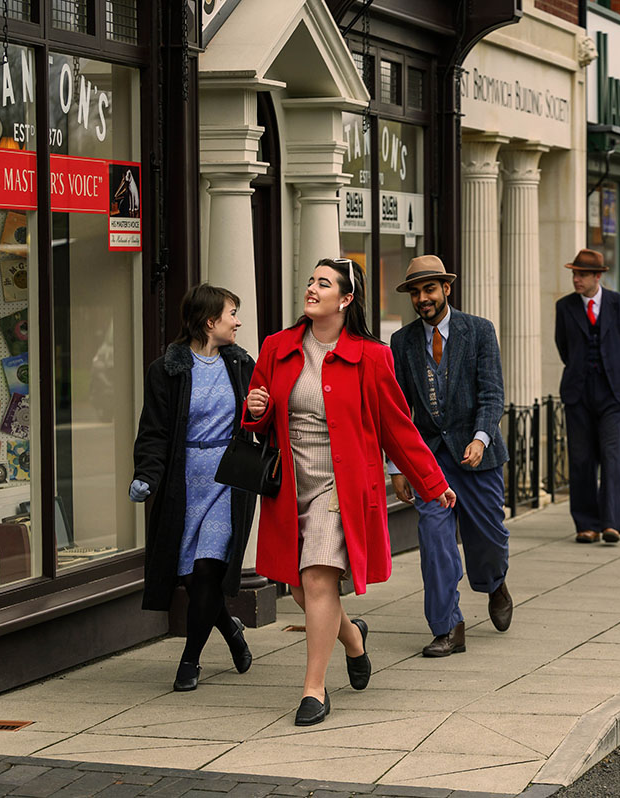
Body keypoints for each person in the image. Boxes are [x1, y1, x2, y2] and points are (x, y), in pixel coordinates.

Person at [243, 257, 456, 727]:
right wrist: (255, 407)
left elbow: (397, 428)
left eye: (324, 283)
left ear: (345, 299)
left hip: (340, 486)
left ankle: (313, 690)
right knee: (301, 591)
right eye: (310, 281)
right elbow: (259, 412)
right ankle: (353, 639)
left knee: (319, 579)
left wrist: (432, 481)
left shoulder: (371, 356)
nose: (311, 289)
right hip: (288, 483)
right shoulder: (277, 347)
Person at [131, 284, 257, 692]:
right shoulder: (166, 369)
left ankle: (190, 661)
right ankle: (232, 632)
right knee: (190, 578)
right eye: (231, 313)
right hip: (184, 484)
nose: (237, 321)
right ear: (210, 321)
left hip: (228, 478)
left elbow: (262, 419)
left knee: (207, 569)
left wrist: (261, 411)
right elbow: (153, 431)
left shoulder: (241, 364)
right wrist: (147, 476)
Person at [388, 255, 513, 657]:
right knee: (435, 540)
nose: (422, 298)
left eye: (429, 289)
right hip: (429, 461)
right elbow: (398, 409)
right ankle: (447, 627)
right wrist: (398, 466)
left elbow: (493, 394)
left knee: (487, 541)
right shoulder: (401, 342)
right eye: (415, 292)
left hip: (478, 456)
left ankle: (494, 583)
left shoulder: (478, 331)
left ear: (446, 289)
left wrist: (480, 439)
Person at [554, 249, 620, 545]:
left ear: (597, 276)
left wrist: (617, 371)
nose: (576, 279)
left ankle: (611, 524)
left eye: (581, 275)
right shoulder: (565, 307)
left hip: (613, 394)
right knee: (581, 460)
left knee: (613, 458)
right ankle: (586, 524)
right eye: (574, 274)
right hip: (578, 393)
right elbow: (563, 347)